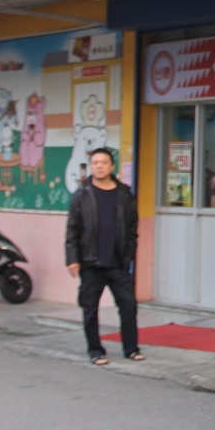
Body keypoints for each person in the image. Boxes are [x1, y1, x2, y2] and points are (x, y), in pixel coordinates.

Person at [65, 147, 143, 365]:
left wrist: (129, 253)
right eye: (95, 163)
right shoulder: (82, 194)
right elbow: (72, 230)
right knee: (90, 309)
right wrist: (72, 259)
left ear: (111, 166)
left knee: (128, 306)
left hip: (118, 263)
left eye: (103, 163)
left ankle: (131, 349)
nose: (99, 166)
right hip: (91, 263)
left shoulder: (124, 193)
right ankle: (95, 350)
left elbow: (132, 227)